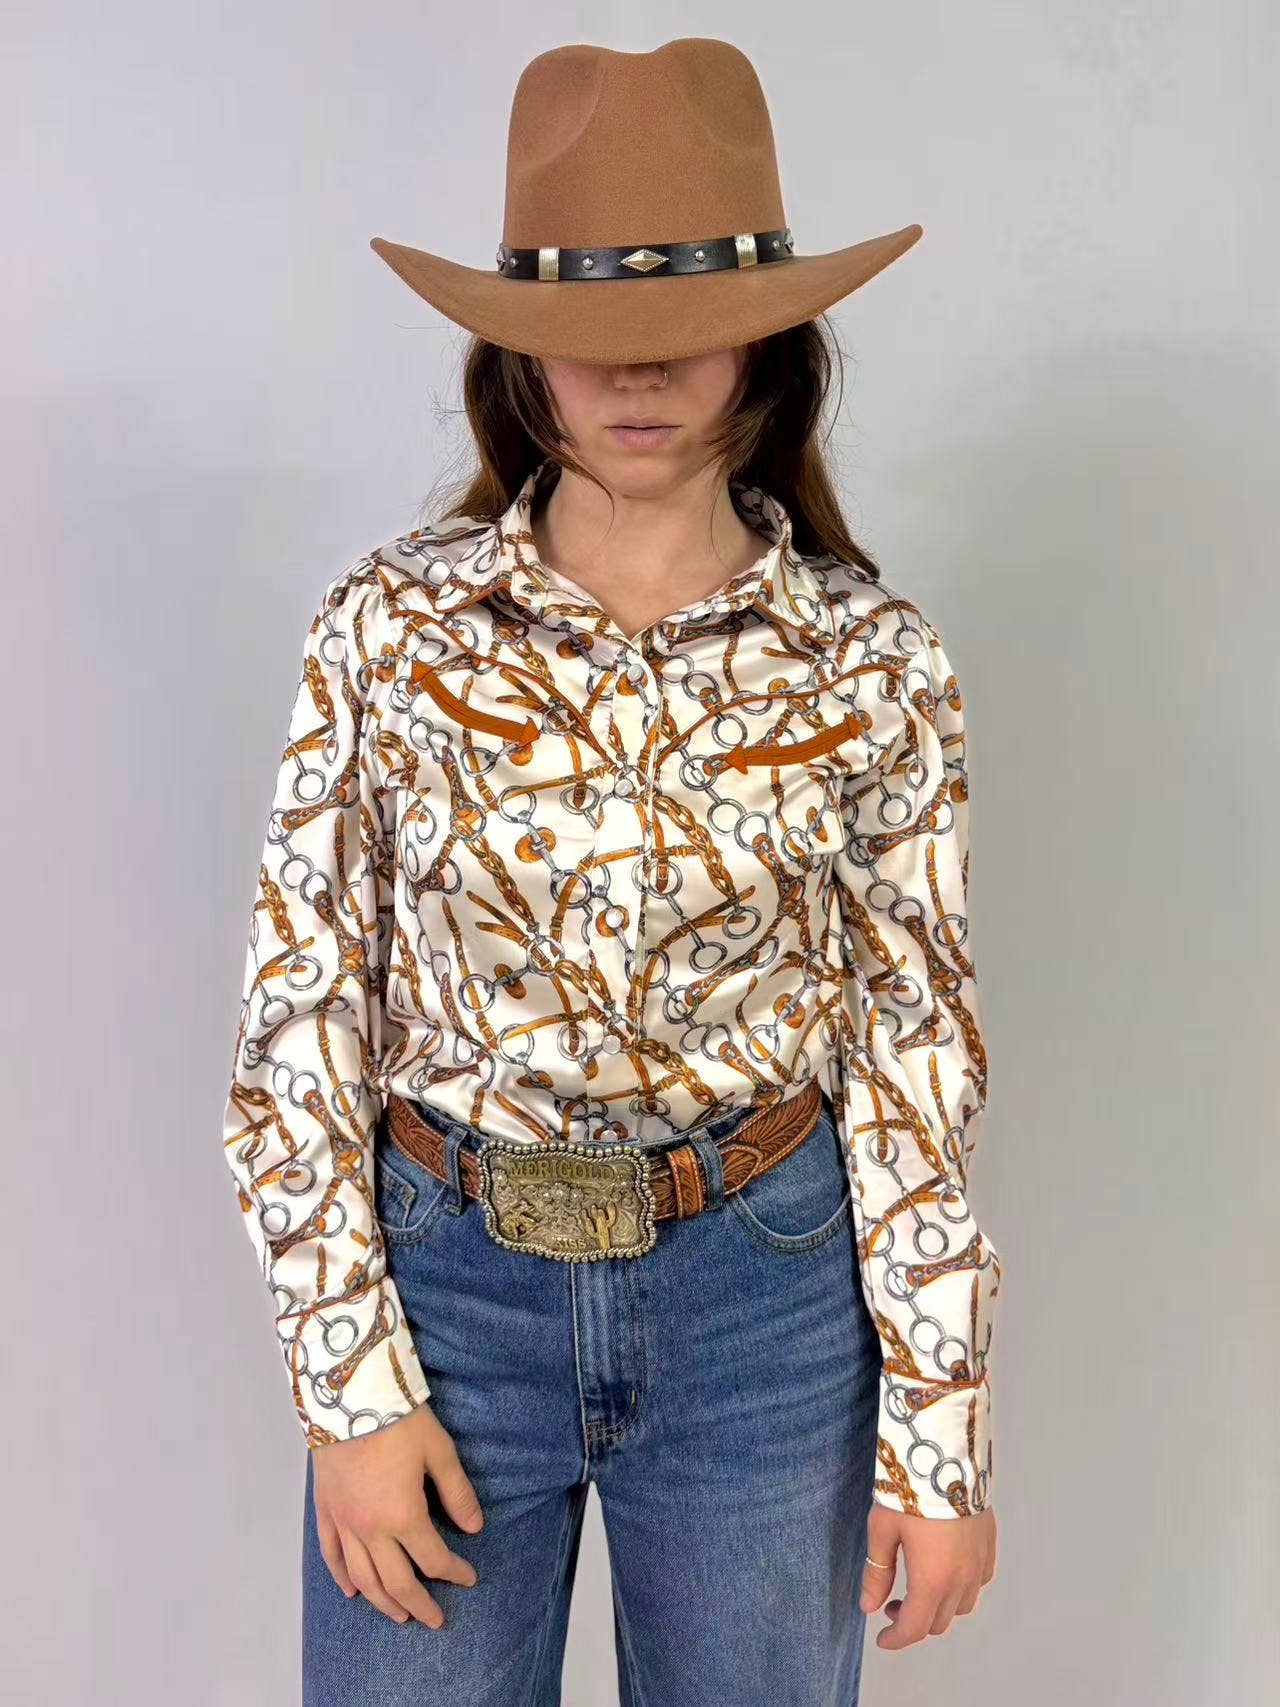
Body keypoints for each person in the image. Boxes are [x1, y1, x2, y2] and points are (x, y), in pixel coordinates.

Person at [219, 35, 1000, 1706]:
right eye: (590, 342)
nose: (638, 380)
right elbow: (299, 1017)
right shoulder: (392, 633)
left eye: (688, 334)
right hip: (447, 1287)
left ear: (772, 344)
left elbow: (911, 1053)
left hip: (763, 1311)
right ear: (520, 355)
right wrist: (347, 1387)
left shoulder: (872, 660)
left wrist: (941, 1432)